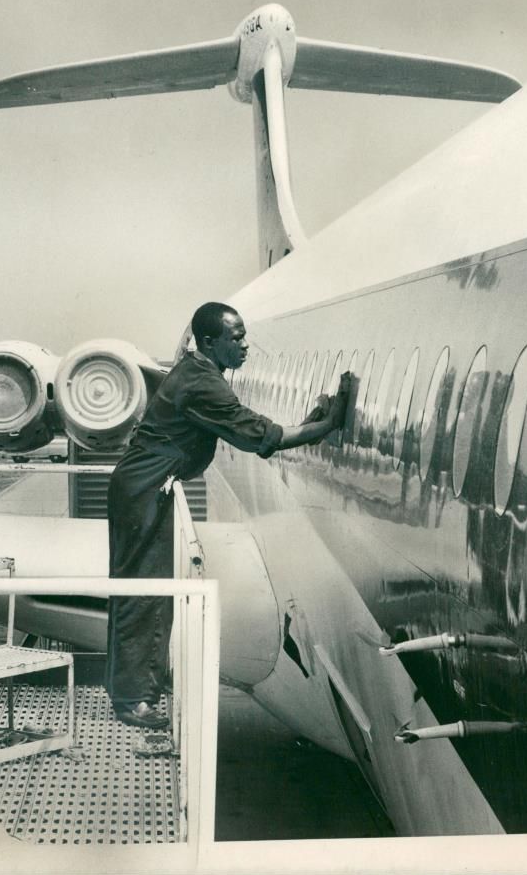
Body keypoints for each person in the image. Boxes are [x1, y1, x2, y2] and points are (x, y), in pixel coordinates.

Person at [105, 301, 350, 728]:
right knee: (143, 592)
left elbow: (253, 426)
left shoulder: (199, 372)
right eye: (236, 339)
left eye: (244, 337)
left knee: (152, 590)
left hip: (147, 485)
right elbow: (256, 436)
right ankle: (131, 700)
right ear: (210, 342)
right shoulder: (203, 384)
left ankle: (140, 684)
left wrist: (307, 424)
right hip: (145, 490)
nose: (245, 346)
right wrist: (324, 427)